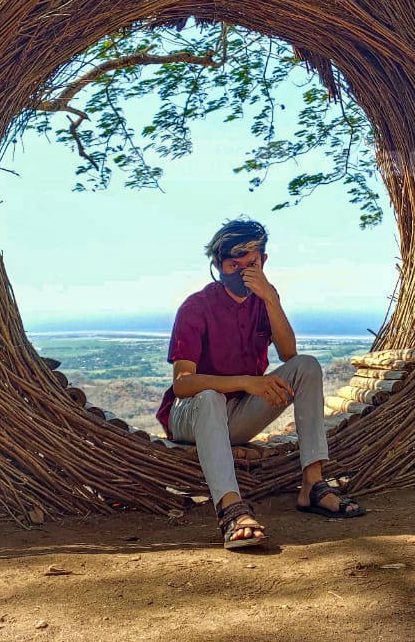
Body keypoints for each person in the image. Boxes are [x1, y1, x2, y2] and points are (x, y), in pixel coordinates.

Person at [156, 218, 365, 550]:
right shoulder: (196, 307)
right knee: (209, 396)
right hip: (192, 415)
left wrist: (270, 299)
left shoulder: (264, 299)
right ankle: (231, 509)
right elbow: (183, 384)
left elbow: (288, 353)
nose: (241, 271)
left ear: (263, 262)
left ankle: (313, 484)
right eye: (232, 264)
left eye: (250, 263)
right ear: (218, 265)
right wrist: (245, 382)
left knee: (307, 367)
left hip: (237, 416)